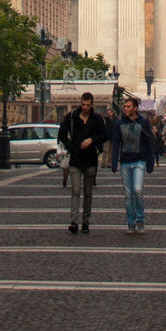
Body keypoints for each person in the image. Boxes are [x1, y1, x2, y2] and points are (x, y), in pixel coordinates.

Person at [58, 92, 106, 234]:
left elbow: (104, 135)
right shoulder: (72, 117)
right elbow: (62, 134)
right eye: (83, 104)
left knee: (88, 192)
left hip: (91, 159)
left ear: (92, 105)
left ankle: (86, 221)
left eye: (87, 105)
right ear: (80, 103)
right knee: (76, 190)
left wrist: (92, 140)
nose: (85, 107)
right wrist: (71, 147)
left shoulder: (97, 119)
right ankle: (73, 221)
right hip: (76, 160)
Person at [111, 96, 155, 233]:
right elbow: (116, 143)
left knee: (137, 190)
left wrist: (150, 162)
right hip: (125, 162)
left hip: (139, 160)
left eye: (128, 106)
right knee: (128, 195)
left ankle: (140, 220)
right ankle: (131, 222)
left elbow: (149, 142)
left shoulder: (143, 122)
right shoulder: (119, 123)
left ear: (135, 108)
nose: (125, 109)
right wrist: (114, 162)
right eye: (125, 106)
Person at [101, 104, 116, 168]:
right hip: (106, 137)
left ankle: (109, 163)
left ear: (112, 113)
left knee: (111, 151)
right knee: (105, 150)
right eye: (108, 113)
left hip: (112, 136)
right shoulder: (106, 119)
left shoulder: (115, 119)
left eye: (109, 112)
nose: (108, 114)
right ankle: (103, 163)